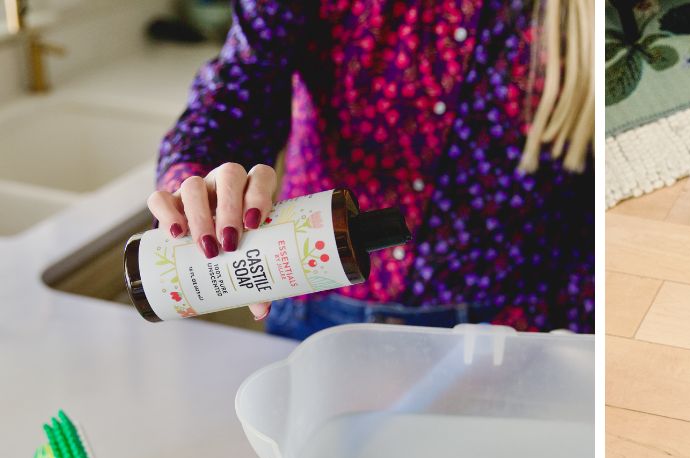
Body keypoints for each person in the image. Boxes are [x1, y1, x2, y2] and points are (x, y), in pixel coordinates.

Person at [145, 0, 594, 337]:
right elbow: (240, 89)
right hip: (317, 310)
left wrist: (572, 332)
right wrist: (199, 179)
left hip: (511, 327)